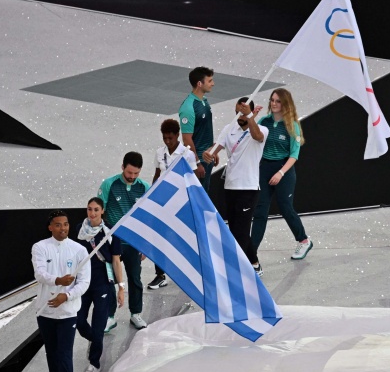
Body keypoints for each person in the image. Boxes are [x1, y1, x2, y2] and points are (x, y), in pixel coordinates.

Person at [32, 209, 91, 372]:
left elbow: (84, 282)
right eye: (58, 225)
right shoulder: (40, 247)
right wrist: (58, 280)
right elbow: (40, 274)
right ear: (50, 227)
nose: (63, 228)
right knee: (52, 354)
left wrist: (66, 296)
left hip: (68, 312)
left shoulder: (79, 250)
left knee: (64, 354)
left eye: (65, 224)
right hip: (45, 311)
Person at [203, 97, 268, 272]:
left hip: (248, 188)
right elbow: (214, 149)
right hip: (230, 186)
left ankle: (237, 269)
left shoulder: (262, 129)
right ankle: (254, 264)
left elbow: (257, 136)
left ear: (251, 112)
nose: (239, 116)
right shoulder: (229, 129)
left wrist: (250, 117)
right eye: (237, 112)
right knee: (235, 229)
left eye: (243, 112)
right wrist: (207, 154)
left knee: (241, 231)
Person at [251, 88, 314, 260]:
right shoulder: (264, 121)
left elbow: (294, 155)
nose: (274, 103)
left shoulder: (292, 125)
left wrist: (280, 173)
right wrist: (252, 119)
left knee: (285, 207)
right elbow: (254, 137)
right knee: (260, 210)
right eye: (272, 100)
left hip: (283, 169)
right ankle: (251, 252)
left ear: (285, 103)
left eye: (278, 101)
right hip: (264, 169)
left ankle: (304, 240)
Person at [97, 152, 152, 329]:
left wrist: (145, 244)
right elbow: (99, 211)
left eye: (136, 173)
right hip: (112, 241)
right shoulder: (109, 184)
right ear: (122, 167)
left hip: (133, 242)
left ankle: (135, 314)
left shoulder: (144, 187)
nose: (132, 176)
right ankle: (110, 316)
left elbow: (147, 217)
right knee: (110, 280)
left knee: (135, 278)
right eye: (129, 172)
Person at [72, 197, 125, 372]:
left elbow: (116, 261)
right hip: (82, 283)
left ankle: (94, 362)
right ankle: (94, 340)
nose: (92, 213)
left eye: (96, 209)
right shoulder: (79, 229)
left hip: (102, 283)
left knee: (98, 325)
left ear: (102, 211)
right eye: (89, 209)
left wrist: (121, 288)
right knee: (78, 321)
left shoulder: (111, 231)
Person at [147, 118, 202, 290]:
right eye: (165, 138)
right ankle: (160, 275)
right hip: (162, 202)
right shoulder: (159, 153)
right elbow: (157, 175)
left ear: (177, 135)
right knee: (158, 237)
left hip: (181, 203)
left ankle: (194, 271)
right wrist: (152, 196)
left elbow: (193, 179)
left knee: (184, 237)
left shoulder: (187, 154)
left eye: (170, 138)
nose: (167, 141)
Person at [179, 66, 215, 191]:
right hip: (199, 162)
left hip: (207, 157)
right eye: (210, 81)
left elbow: (205, 129)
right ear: (199, 84)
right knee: (198, 196)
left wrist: (213, 150)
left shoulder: (204, 100)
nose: (213, 84)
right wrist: (197, 163)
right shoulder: (188, 107)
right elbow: (187, 139)